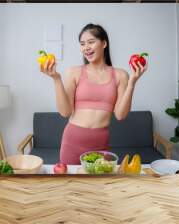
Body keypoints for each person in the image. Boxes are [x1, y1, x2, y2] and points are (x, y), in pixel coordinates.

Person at [40, 23, 148, 164]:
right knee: (71, 185)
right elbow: (65, 112)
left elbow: (120, 115)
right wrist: (56, 79)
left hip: (100, 144)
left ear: (104, 43)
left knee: (97, 185)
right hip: (72, 142)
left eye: (91, 42)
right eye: (83, 44)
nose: (86, 47)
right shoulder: (74, 72)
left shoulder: (121, 75)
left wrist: (132, 83)